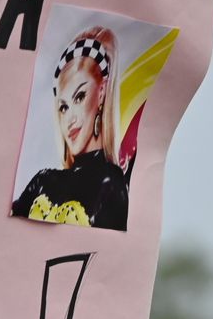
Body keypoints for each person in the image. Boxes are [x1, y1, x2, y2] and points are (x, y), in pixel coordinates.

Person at [12, 25, 129, 229]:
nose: (70, 119)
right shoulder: (42, 181)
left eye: (80, 97)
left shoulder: (112, 184)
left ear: (101, 92)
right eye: (64, 107)